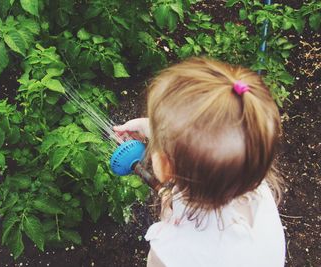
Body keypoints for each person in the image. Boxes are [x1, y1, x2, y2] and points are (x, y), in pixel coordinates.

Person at [113, 57, 285, 267]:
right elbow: (209, 137)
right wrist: (149, 127)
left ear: (165, 167)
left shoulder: (172, 254)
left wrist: (171, 215)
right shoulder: (247, 179)